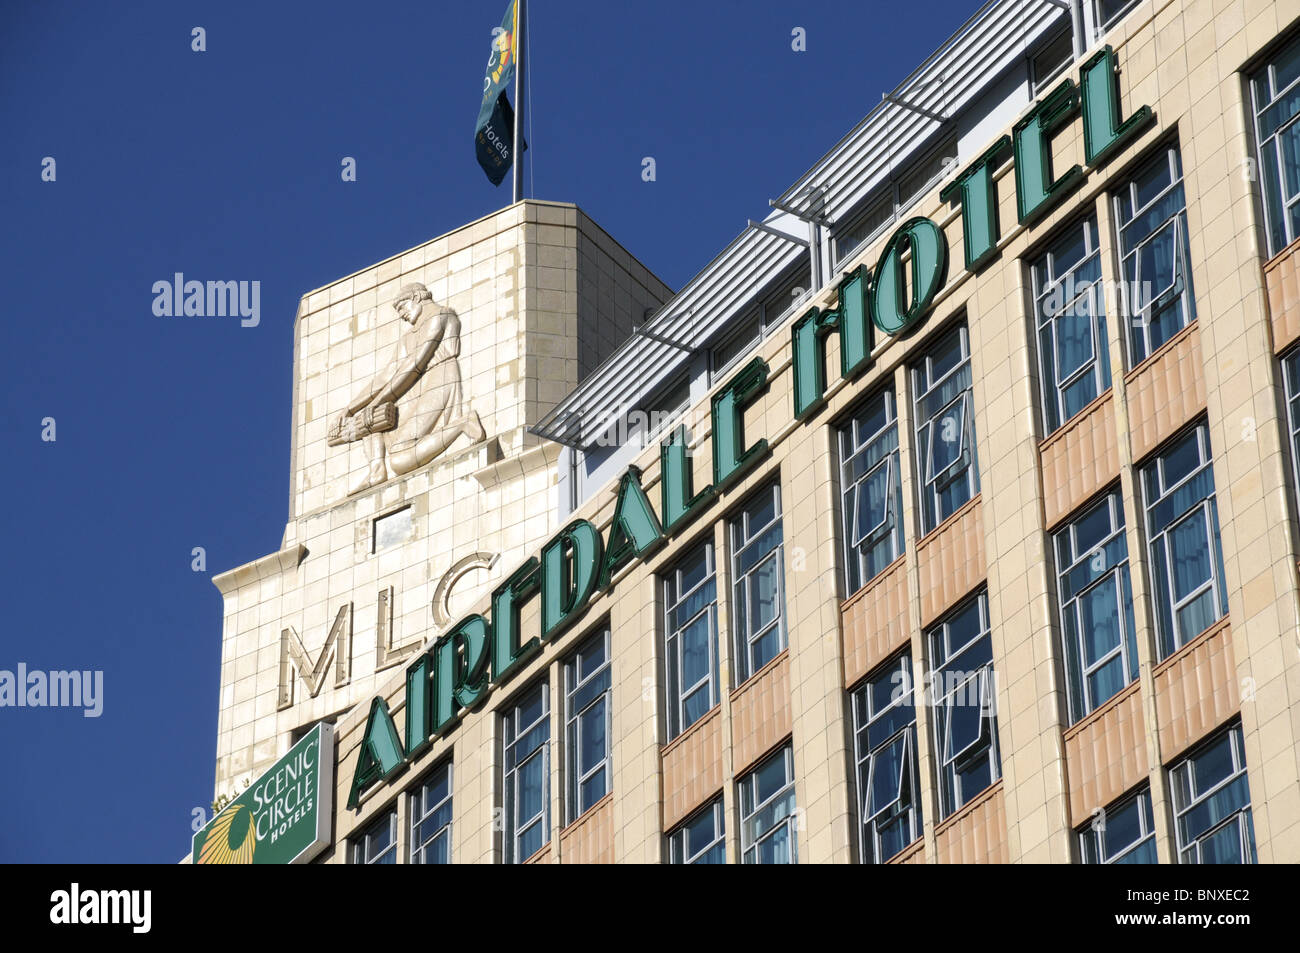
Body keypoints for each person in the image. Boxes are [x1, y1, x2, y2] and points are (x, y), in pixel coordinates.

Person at [330, 282, 484, 495]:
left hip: (439, 378)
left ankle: (463, 424)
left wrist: (377, 403)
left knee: (400, 460)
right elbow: (387, 374)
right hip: (415, 387)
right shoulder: (408, 336)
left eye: (402, 306)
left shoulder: (439, 316)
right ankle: (376, 470)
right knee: (372, 418)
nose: (401, 314)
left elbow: (416, 363)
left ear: (417, 297)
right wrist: (351, 408)